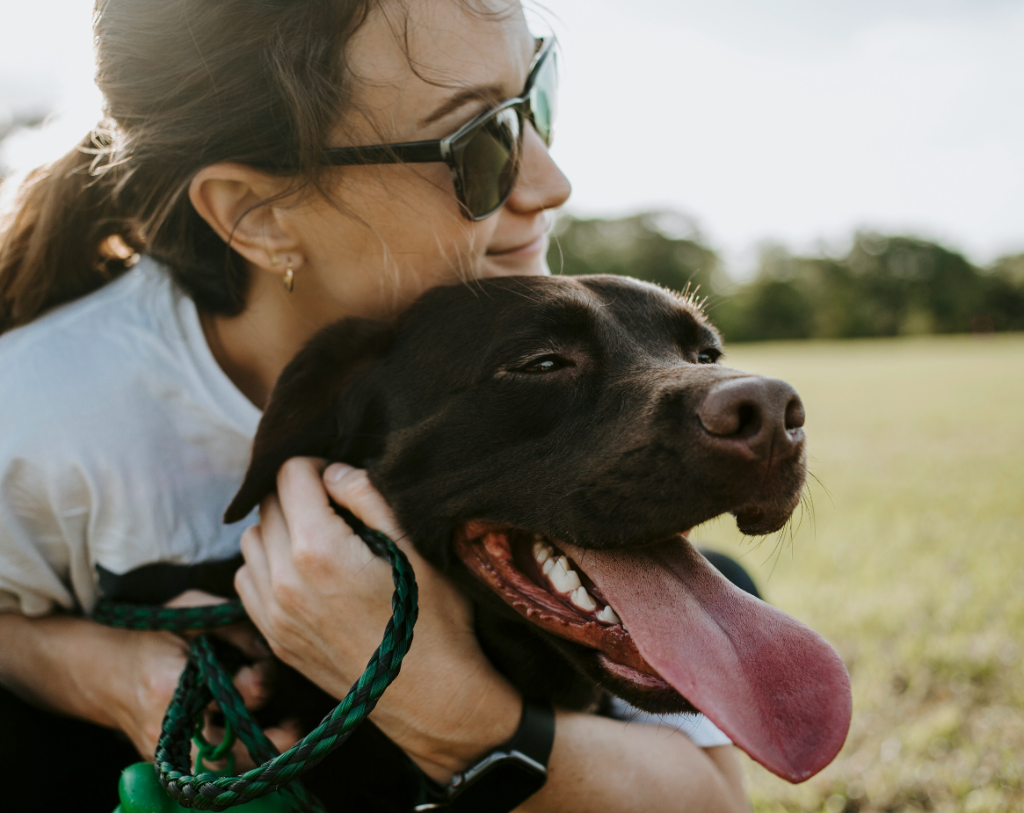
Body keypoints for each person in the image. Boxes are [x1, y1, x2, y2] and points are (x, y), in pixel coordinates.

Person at [0, 0, 751, 811]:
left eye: (537, 94)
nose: (550, 181)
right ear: (259, 214)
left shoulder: (511, 302)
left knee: (718, 577)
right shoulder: (39, 415)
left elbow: (710, 800)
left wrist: (439, 697)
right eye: (479, 143)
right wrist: (107, 673)